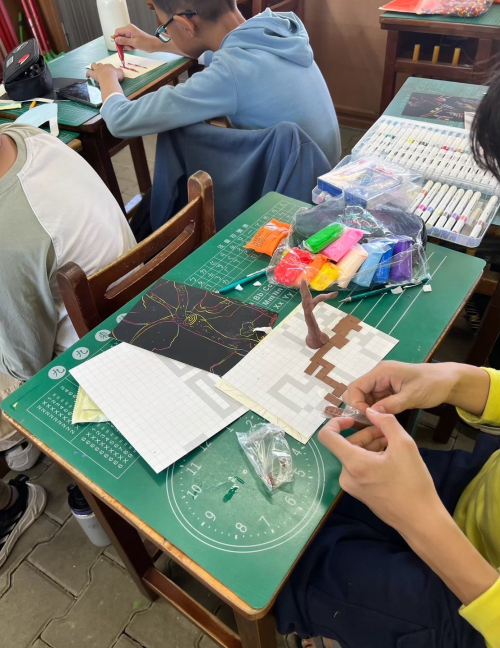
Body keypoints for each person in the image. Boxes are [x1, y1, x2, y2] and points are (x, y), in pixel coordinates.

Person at [274, 361, 500, 648]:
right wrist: (457, 381)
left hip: (479, 622)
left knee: (293, 566)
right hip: (479, 486)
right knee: (324, 495)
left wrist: (421, 521)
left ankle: (344, 630)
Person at [0, 123, 136, 565]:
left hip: (97, 363)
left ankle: (14, 474)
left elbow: (25, 366)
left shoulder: (9, 234)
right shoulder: (27, 136)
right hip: (136, 305)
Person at [85, 0, 341, 166]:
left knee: (180, 137)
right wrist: (152, 43)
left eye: (164, 28)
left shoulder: (230, 73)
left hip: (294, 196)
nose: (163, 33)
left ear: (185, 25)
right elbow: (213, 51)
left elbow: (121, 120)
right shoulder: (277, 30)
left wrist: (108, 78)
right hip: (326, 174)